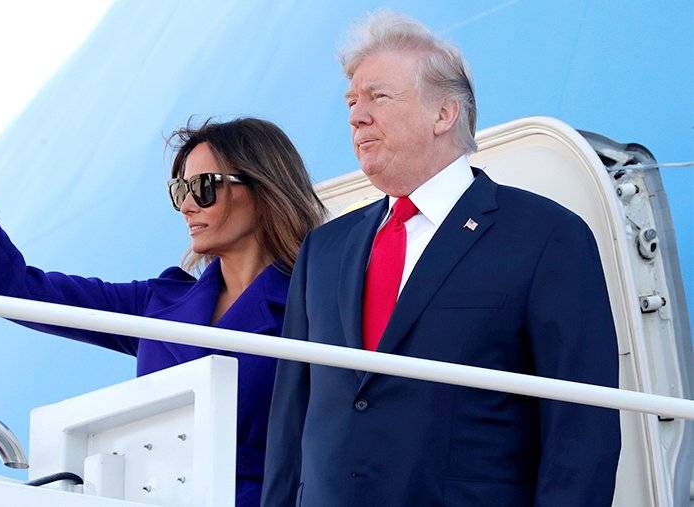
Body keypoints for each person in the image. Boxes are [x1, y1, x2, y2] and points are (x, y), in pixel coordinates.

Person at [0, 56, 326, 506]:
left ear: (261, 188)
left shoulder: (318, 303)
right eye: (180, 190)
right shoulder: (158, 304)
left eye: (204, 187)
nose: (188, 205)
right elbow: (14, 290)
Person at [262, 11, 620, 507]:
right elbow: (289, 427)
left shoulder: (545, 236)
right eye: (352, 101)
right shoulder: (324, 250)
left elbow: (582, 430)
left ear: (444, 114)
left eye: (378, 97)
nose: (356, 116)